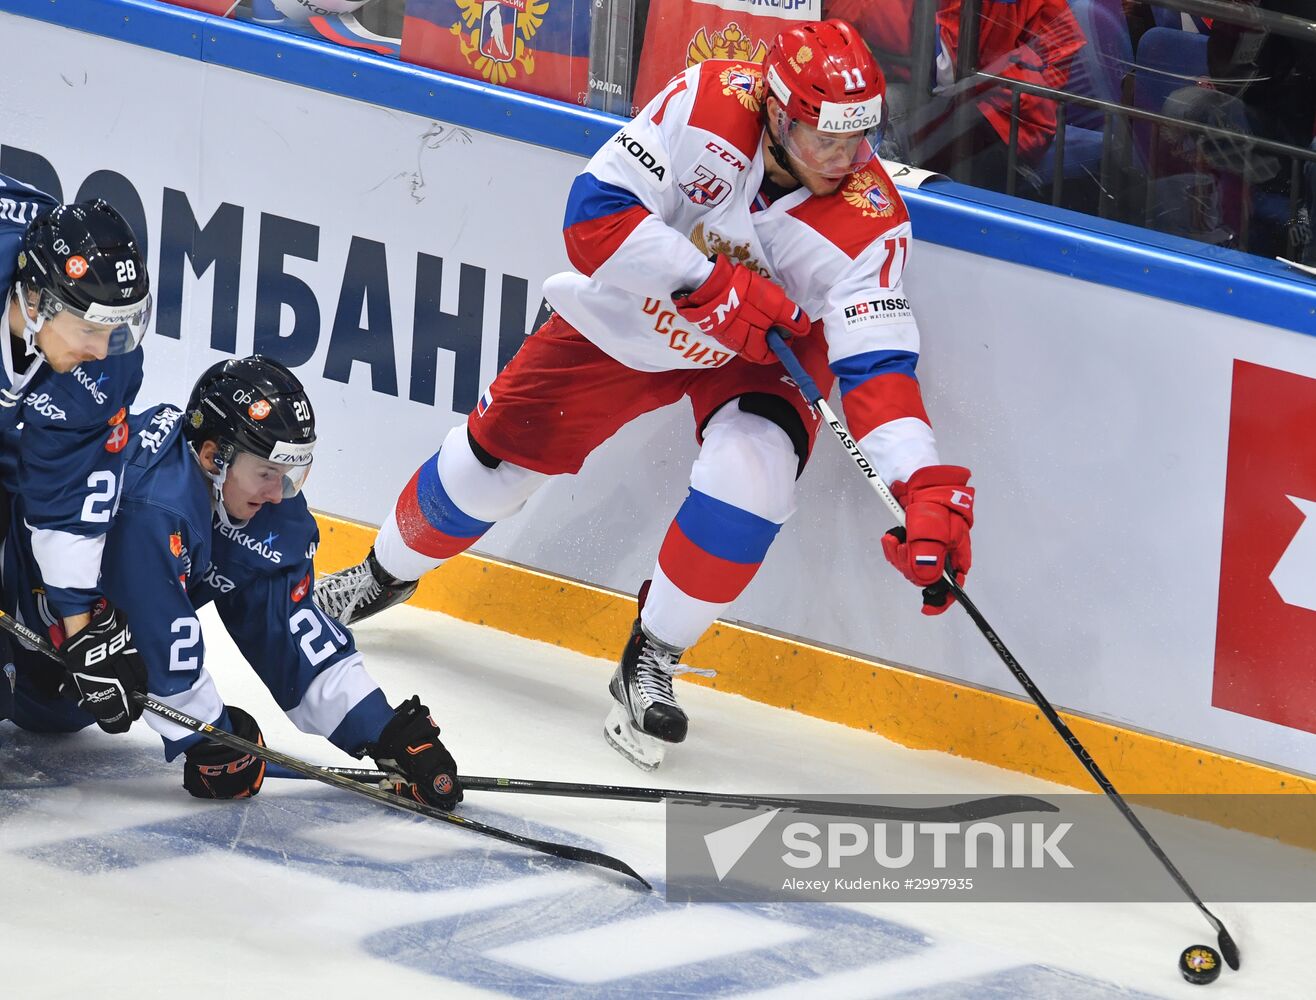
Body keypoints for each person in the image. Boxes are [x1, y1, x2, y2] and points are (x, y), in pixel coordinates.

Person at [316, 18, 976, 771]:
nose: (841, 159)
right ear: (774, 111)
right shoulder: (705, 103)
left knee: (751, 478)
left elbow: (879, 368)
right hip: (642, 314)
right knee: (492, 469)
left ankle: (651, 657)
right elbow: (592, 216)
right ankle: (380, 574)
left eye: (856, 140)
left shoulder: (872, 224)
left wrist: (919, 485)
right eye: (821, 138)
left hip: (763, 353)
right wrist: (710, 281)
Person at [0, 356, 461, 808]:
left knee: (58, 714)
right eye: (266, 473)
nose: (278, 493)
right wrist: (209, 735)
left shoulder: (254, 507)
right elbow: (157, 633)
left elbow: (291, 633)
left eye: (288, 474)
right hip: (12, 617)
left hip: (56, 676)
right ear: (213, 455)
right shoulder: (154, 502)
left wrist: (383, 731)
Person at [0, 174, 153, 737]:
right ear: (36, 301)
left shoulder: (106, 365)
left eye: (115, 329)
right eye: (89, 328)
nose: (100, 348)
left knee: (50, 704)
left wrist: (81, 631)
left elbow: (63, 494)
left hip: (18, 461)